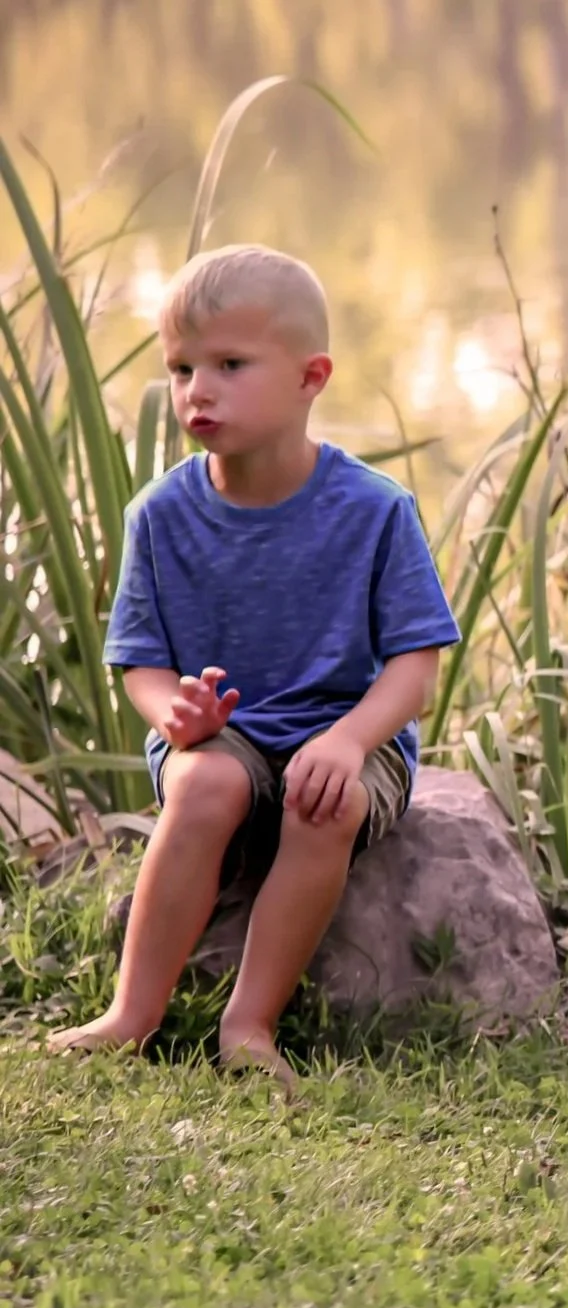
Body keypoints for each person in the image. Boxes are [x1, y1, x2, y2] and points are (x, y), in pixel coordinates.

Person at [44, 244, 461, 1084]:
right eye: (182, 367)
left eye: (230, 364)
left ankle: (249, 1022)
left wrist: (348, 742)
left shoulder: (376, 512)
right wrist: (174, 716)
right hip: (223, 737)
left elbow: (416, 668)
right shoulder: (159, 515)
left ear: (311, 377)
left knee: (324, 803)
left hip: (346, 732)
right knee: (207, 785)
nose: (198, 389)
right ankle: (134, 1011)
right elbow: (142, 664)